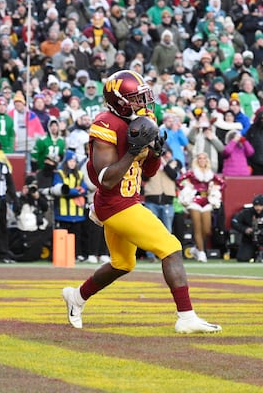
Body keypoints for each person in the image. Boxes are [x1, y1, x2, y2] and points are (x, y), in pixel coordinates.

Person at [61, 70, 221, 334]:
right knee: (170, 246)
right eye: (136, 98)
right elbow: (106, 180)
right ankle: (186, 316)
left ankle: (76, 297)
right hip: (116, 203)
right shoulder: (105, 125)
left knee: (123, 263)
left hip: (127, 199)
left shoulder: (143, 120)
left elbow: (148, 171)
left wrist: (155, 152)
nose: (143, 104)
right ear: (119, 100)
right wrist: (133, 151)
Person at [177, 153, 225, 263]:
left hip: (206, 201)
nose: (202, 160)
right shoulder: (192, 173)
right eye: (200, 158)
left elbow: (223, 183)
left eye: (204, 158)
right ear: (196, 160)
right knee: (197, 227)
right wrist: (186, 187)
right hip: (194, 201)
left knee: (207, 229)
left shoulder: (210, 174)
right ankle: (201, 252)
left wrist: (215, 188)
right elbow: (179, 180)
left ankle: (195, 248)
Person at [231, 195, 263, 262]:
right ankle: (252, 254)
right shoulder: (246, 212)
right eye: (256, 205)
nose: (258, 208)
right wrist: (245, 229)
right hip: (249, 239)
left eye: (260, 205)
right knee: (242, 258)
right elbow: (234, 222)